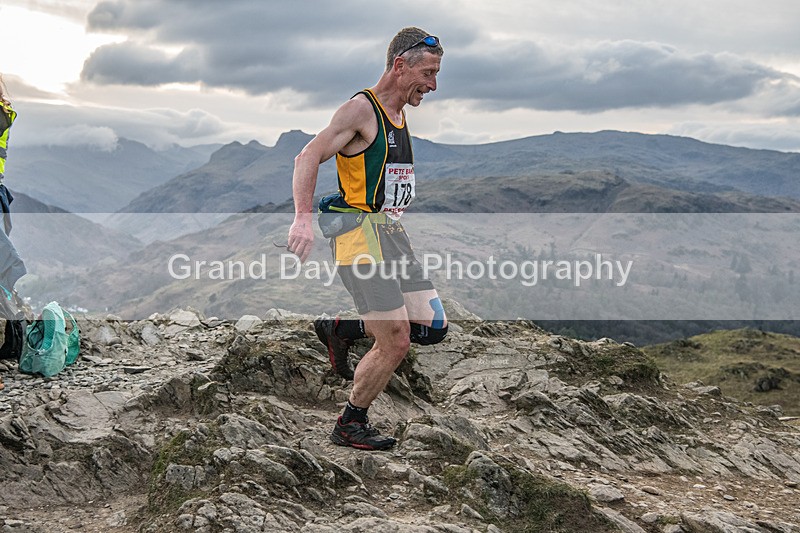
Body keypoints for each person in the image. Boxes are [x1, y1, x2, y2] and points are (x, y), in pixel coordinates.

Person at [287, 27, 448, 450]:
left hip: (389, 232)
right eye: (428, 73)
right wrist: (302, 218)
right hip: (357, 234)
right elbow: (307, 156)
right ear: (400, 66)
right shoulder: (361, 110)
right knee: (395, 338)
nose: (432, 85)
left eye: (435, 74)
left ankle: (340, 330)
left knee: (431, 328)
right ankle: (349, 423)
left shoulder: (399, 109)